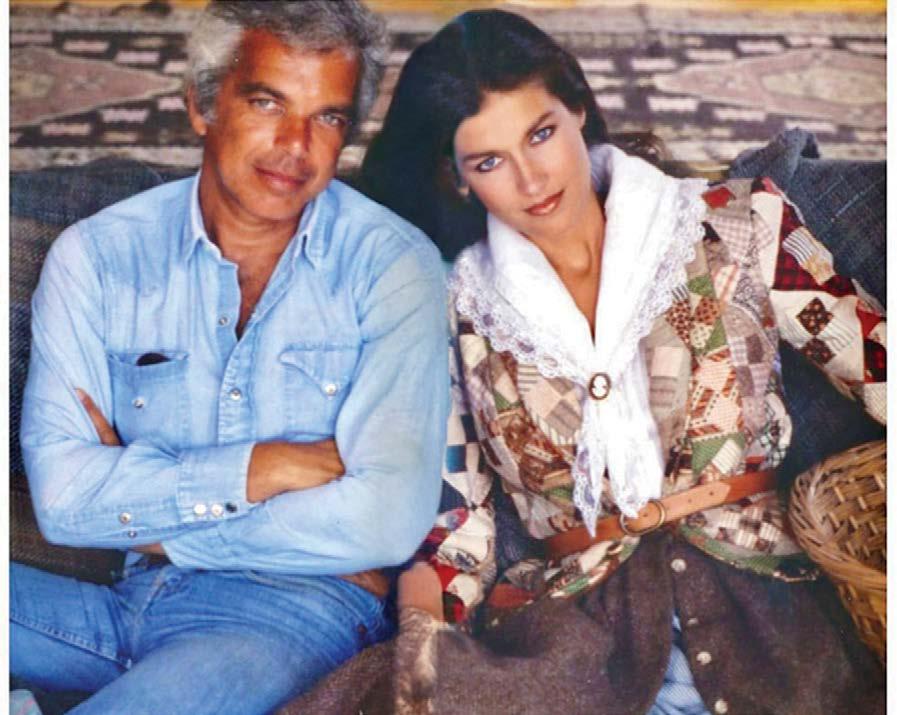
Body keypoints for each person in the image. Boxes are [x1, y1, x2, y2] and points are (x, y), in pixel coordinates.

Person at [361, 9, 886, 714]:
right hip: (575, 640)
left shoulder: (736, 224)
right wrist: (421, 657)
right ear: (458, 178)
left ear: (578, 108)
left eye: (540, 134)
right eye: (489, 162)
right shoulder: (458, 311)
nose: (530, 178)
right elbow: (459, 530)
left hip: (767, 613)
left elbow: (880, 366)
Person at [12, 2, 449, 713]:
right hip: (117, 602)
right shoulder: (99, 256)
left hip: (291, 616)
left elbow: (385, 521)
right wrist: (264, 468)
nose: (295, 145)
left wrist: (156, 524)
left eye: (327, 117)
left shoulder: (393, 266)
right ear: (202, 104)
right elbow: (63, 502)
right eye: (267, 102)